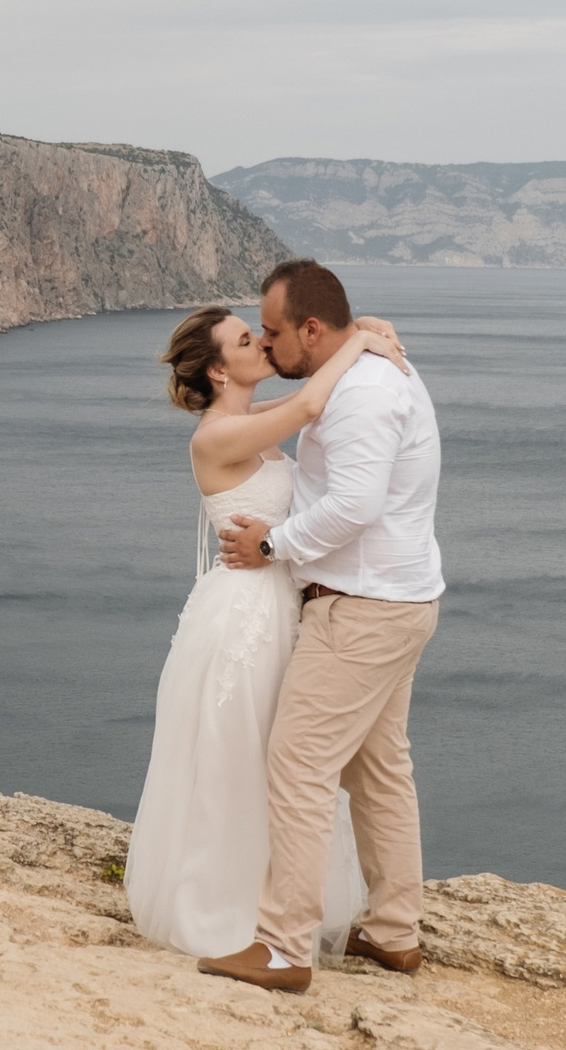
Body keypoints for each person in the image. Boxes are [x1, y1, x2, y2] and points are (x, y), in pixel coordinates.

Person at [122, 301, 408, 957]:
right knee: (240, 760)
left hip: (278, 609)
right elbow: (311, 406)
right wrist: (358, 339)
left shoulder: (248, 424)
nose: (262, 345)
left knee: (283, 761)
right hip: (242, 618)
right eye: (247, 340)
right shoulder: (216, 436)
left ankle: (275, 907)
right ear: (220, 372)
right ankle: (230, 912)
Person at [196, 259, 445, 992]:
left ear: (312, 328)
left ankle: (282, 948)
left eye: (272, 332)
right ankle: (396, 932)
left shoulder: (364, 390)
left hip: (362, 608)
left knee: (300, 766)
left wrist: (274, 545)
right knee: (378, 770)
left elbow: (357, 506)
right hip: (400, 600)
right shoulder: (370, 368)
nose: (266, 346)